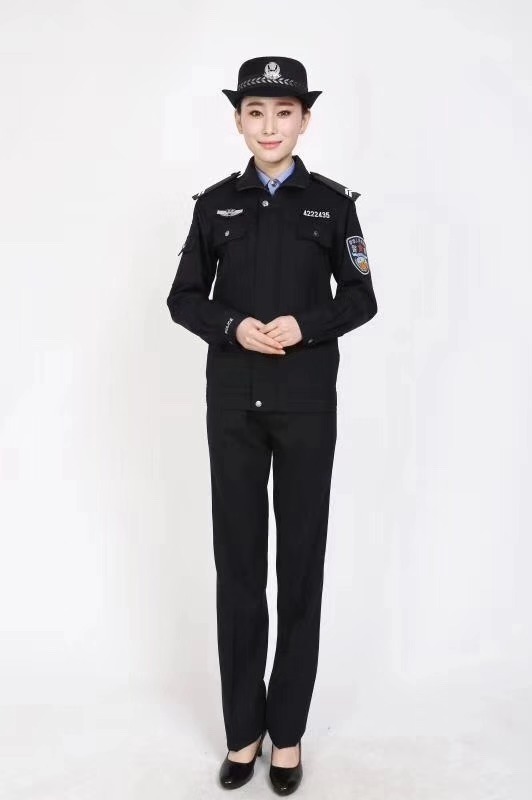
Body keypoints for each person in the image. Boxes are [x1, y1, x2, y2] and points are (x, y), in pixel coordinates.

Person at [166, 56, 378, 795]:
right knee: (238, 570)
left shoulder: (331, 205)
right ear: (238, 121)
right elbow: (183, 298)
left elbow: (362, 297)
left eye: (283, 112)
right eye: (255, 112)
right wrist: (231, 326)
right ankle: (243, 732)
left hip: (307, 405)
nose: (269, 126)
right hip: (233, 405)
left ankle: (286, 735)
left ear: (304, 120)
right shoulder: (214, 206)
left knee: (300, 570)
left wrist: (305, 325)